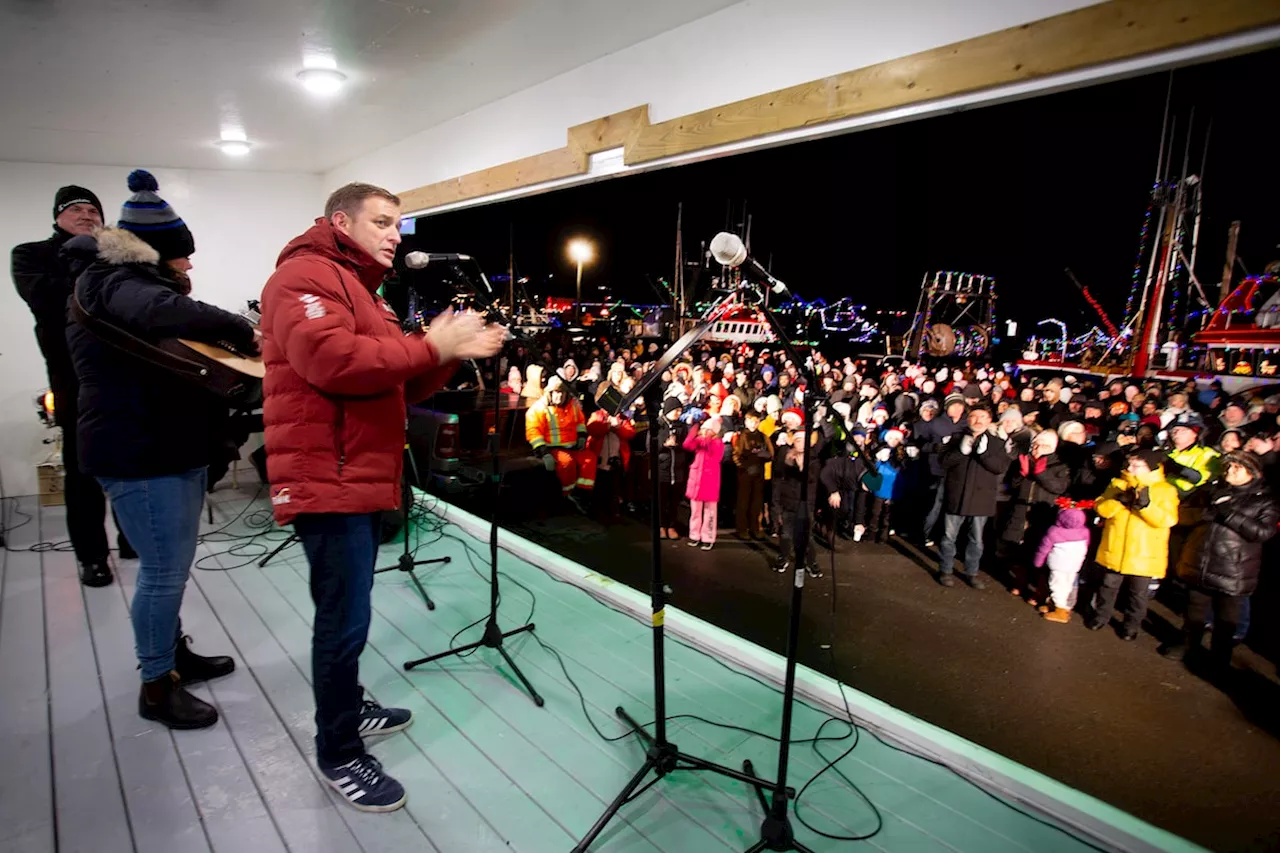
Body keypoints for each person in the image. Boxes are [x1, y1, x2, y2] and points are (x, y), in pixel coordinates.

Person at [260, 181, 503, 812]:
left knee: (351, 613)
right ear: (341, 221)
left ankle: (347, 706)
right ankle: (338, 751)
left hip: (360, 474)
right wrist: (431, 344)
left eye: (400, 224)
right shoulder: (302, 278)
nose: (397, 234)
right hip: (328, 477)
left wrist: (449, 355)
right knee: (343, 622)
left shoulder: (362, 289)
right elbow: (333, 361)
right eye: (384, 222)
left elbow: (399, 379)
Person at [66, 170, 254, 728]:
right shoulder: (118, 286)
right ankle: (156, 685)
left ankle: (174, 658)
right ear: (155, 254)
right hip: (141, 454)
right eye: (183, 256)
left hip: (164, 446)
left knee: (166, 567)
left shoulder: (119, 286)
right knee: (163, 573)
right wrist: (243, 332)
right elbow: (171, 314)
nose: (190, 266)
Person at [11, 183, 134, 586]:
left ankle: (131, 538)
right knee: (83, 472)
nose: (86, 215)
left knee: (132, 461)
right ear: (58, 217)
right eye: (75, 209)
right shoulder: (32, 255)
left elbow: (139, 300)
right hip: (72, 379)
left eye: (93, 210)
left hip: (124, 375)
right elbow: (47, 299)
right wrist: (87, 262)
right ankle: (92, 556)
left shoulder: (120, 252)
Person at [1161, 452, 1277, 673]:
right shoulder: (1210, 490)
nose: (1229, 471)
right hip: (1201, 562)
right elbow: (1182, 515)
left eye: (1237, 468)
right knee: (1194, 610)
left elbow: (1263, 532)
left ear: (1252, 473)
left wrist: (1228, 514)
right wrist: (1203, 514)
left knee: (1226, 619)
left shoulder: (1263, 500)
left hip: (1233, 569)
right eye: (1228, 466)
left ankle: (1219, 658)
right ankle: (1188, 644)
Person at [1090, 448, 1179, 640]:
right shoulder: (1118, 483)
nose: (1131, 468)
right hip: (1114, 548)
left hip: (1144, 553)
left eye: (1137, 465)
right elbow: (1101, 508)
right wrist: (1118, 502)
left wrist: (1145, 506)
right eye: (1130, 464)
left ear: (1151, 468)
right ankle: (1101, 616)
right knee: (1107, 587)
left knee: (1138, 595)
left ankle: (1131, 626)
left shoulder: (1165, 490)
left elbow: (1167, 520)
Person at [936, 404, 1011, 589]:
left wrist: (984, 454)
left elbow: (1000, 468)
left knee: (976, 539)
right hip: (957, 495)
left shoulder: (997, 443)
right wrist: (961, 452)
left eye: (983, 417)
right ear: (968, 419)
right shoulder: (956, 438)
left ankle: (972, 572)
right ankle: (945, 570)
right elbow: (944, 462)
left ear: (989, 420)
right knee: (948, 537)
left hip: (981, 499)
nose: (978, 420)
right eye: (974, 416)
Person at [1001, 429, 1070, 603]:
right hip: (1021, 510)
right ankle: (1020, 583)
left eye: (1042, 445)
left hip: (1042, 514)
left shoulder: (1060, 466)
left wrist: (1041, 474)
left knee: (1040, 553)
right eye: (1035, 445)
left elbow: (1058, 487)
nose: (1037, 448)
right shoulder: (1025, 461)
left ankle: (1039, 591)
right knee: (1020, 552)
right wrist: (1021, 474)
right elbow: (1012, 485)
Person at [526, 378, 595, 505]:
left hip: (572, 446)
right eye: (556, 392)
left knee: (589, 458)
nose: (560, 395)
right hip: (552, 448)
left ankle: (581, 492)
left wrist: (581, 436)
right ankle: (567, 495)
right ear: (550, 393)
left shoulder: (573, 406)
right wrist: (544, 452)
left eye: (562, 392)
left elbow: (580, 422)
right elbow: (533, 432)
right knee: (567, 463)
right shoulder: (539, 408)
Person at [915, 393, 968, 545]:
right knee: (934, 504)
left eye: (960, 405)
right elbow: (921, 444)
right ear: (947, 407)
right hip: (936, 469)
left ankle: (947, 536)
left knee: (953, 504)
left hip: (959, 471)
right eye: (954, 405)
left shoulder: (967, 425)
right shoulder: (935, 423)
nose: (957, 408)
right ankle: (925, 533)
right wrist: (934, 447)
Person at [1032, 505, 1092, 623]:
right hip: (1075, 565)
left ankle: (1060, 612)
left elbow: (1043, 549)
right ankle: (1061, 607)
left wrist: (1038, 562)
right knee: (1067, 586)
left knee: (1056, 586)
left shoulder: (1054, 531)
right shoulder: (1085, 532)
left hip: (1058, 565)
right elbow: (1087, 545)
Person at [684, 416, 725, 550]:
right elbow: (687, 445)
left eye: (708, 429)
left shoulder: (717, 443)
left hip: (710, 481)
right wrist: (693, 430)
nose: (705, 432)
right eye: (704, 429)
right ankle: (694, 535)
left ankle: (708, 537)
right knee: (695, 511)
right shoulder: (700, 441)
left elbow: (716, 454)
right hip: (696, 480)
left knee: (710, 512)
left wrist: (706, 437)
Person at [732, 410, 771, 539]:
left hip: (759, 472)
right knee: (743, 501)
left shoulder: (763, 436)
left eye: (756, 421)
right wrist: (744, 467)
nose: (754, 424)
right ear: (746, 421)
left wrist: (762, 455)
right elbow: (736, 454)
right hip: (745, 473)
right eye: (751, 421)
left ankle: (755, 527)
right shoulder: (742, 436)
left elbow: (770, 453)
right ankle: (742, 528)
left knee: (757, 502)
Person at [656, 396, 688, 539]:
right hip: (663, 469)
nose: (677, 413)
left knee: (674, 502)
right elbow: (650, 447)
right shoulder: (658, 425)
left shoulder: (682, 427)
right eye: (675, 410)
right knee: (662, 501)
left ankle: (672, 526)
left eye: (680, 411)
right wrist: (664, 445)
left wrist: (678, 445)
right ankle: (661, 525)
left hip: (678, 470)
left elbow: (687, 446)